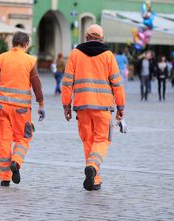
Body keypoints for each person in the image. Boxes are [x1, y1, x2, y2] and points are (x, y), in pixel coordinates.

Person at [61, 24, 125, 191]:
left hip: (82, 106)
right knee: (102, 140)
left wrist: (66, 105)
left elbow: (67, 83)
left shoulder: (75, 54)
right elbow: (117, 84)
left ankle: (94, 179)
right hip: (103, 107)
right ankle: (92, 167)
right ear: (102, 39)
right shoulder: (108, 56)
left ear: (87, 37)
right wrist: (121, 107)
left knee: (88, 141)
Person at [0, 31, 45, 187]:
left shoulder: (1, 58)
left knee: (3, 142)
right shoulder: (30, 60)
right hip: (21, 109)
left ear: (13, 43)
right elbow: (36, 84)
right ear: (26, 44)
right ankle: (16, 162)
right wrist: (41, 104)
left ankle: (5, 178)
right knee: (25, 137)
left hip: (1, 107)